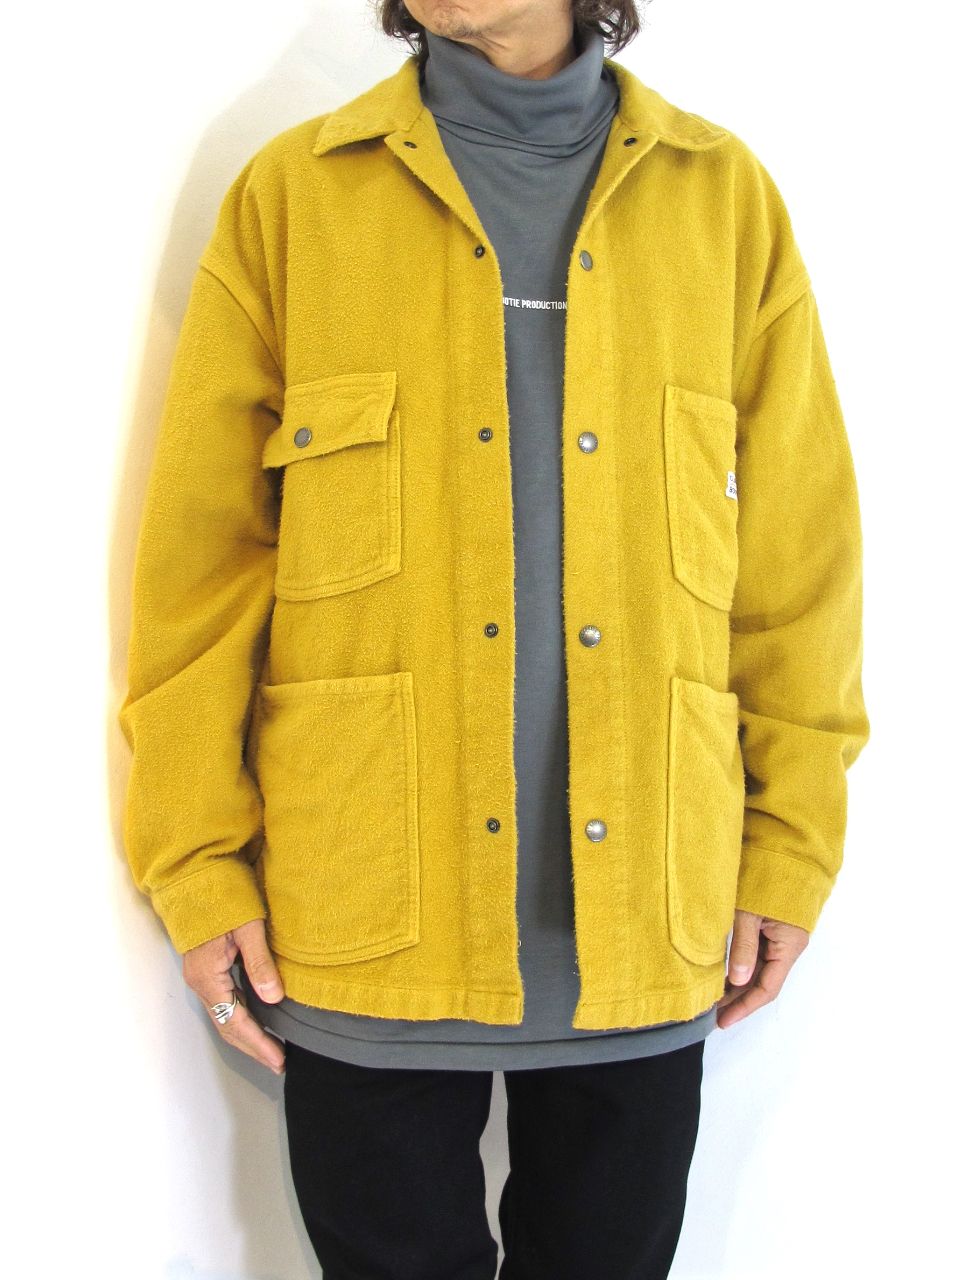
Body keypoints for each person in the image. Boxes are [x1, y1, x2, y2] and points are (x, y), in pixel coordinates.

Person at [117, 1, 870, 1276]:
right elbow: (201, 569)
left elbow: (801, 570)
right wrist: (197, 865)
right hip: (362, 922)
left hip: (646, 922)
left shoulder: (722, 201)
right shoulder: (298, 199)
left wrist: (791, 848)